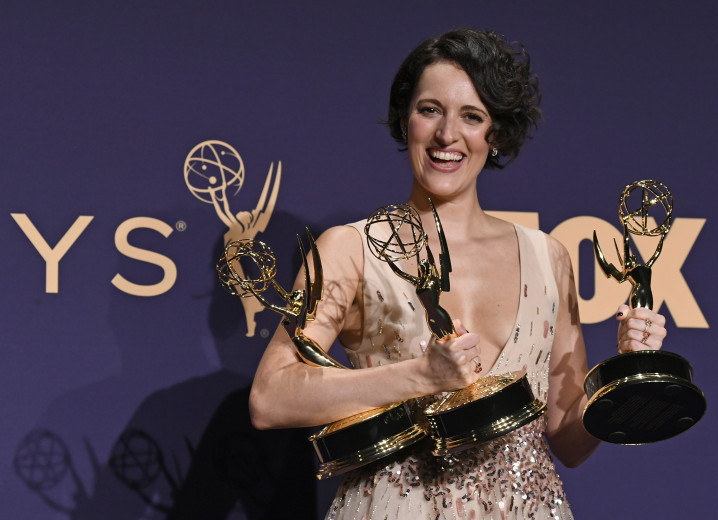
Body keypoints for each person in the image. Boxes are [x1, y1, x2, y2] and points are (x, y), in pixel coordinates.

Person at [249, 29, 667, 519]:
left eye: (472, 116)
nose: (448, 135)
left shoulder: (547, 256)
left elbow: (568, 440)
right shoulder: (350, 248)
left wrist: (625, 374)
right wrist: (420, 376)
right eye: (430, 110)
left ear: (497, 134)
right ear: (406, 121)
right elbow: (270, 398)